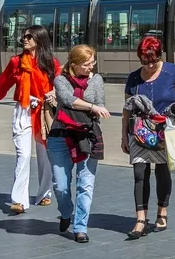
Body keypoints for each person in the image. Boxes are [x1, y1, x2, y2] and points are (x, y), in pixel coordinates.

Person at [122, 36, 175, 240]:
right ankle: (140, 219)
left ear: (160, 56)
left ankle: (162, 211)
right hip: (140, 131)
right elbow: (126, 109)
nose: (150, 65)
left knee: (162, 172)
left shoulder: (172, 71)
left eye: (153, 60)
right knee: (140, 174)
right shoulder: (134, 78)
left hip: (163, 130)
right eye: (145, 61)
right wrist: (124, 135)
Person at [0, 25, 60, 213]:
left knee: (45, 154)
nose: (24, 39)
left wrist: (55, 94)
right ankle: (19, 200)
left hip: (44, 112)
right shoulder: (16, 62)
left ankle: (44, 193)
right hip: (23, 110)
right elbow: (3, 82)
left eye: (29, 36)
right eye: (24, 36)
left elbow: (61, 84)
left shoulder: (51, 63)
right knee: (23, 155)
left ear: (40, 39)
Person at [48, 44, 108, 243]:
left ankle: (80, 227)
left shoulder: (97, 80)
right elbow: (67, 100)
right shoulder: (60, 80)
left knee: (86, 185)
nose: (91, 67)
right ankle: (66, 212)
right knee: (61, 186)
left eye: (93, 62)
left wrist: (96, 108)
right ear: (74, 64)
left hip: (87, 135)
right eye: (87, 64)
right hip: (60, 135)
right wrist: (91, 107)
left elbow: (100, 103)